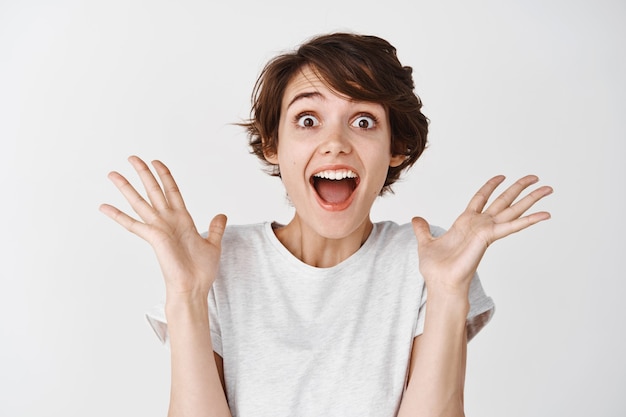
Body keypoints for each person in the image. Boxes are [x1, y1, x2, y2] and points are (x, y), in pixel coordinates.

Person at [100, 32, 552, 417]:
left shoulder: (430, 260)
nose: (335, 143)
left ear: (395, 148)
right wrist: (186, 295)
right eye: (308, 119)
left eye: (362, 120)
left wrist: (449, 293)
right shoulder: (215, 264)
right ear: (274, 144)